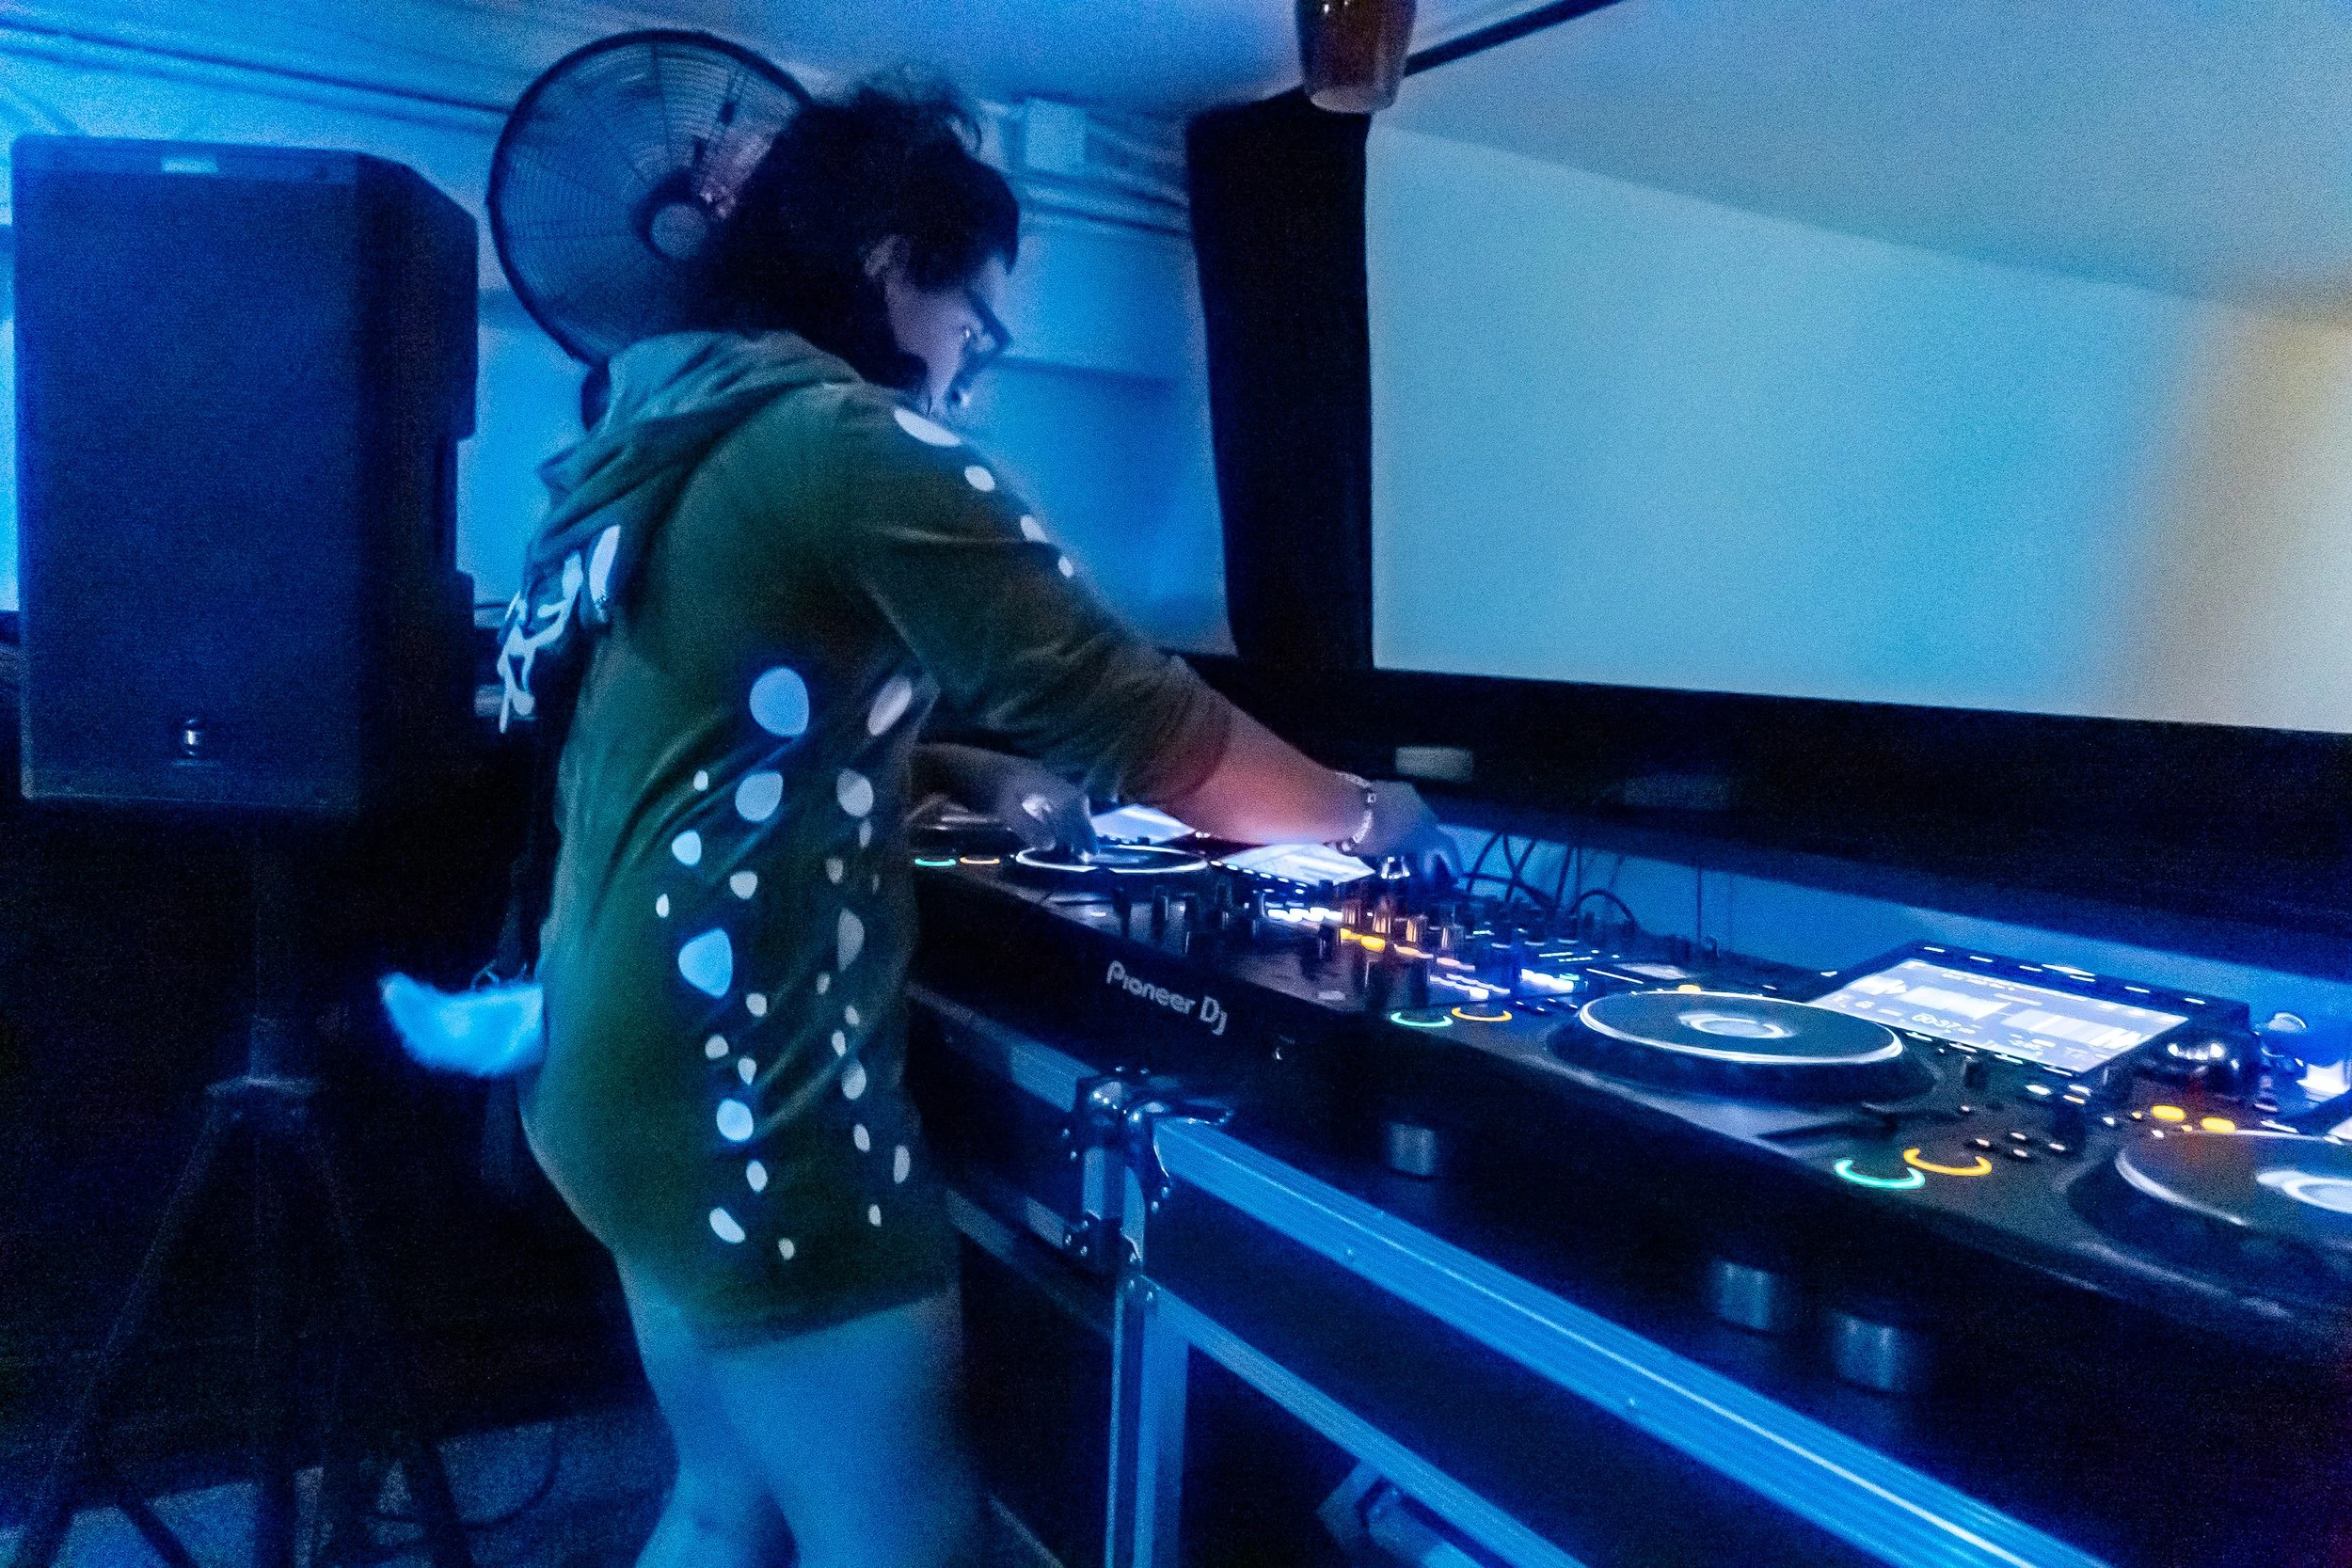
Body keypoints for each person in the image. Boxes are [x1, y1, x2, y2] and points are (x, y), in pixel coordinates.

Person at [506, 76, 1454, 1568]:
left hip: (608, 1057)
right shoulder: (851, 442)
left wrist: (948, 771)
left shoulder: (673, 428)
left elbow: (712, 715)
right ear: (895, 263)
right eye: (980, 323)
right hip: (746, 1086)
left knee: (725, 1498)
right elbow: (1145, 726)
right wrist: (1367, 815)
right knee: (909, 1537)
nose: (973, 367)